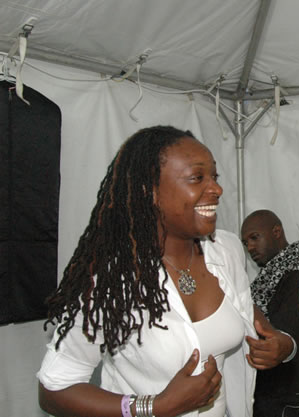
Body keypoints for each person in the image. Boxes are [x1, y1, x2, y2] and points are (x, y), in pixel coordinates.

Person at [37, 126, 256, 417]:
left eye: (214, 177)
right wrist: (154, 406)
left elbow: (244, 317)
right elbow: (54, 390)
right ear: (150, 191)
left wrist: (283, 345)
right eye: (197, 178)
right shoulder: (108, 281)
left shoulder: (227, 249)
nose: (216, 189)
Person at [240, 209, 299, 417]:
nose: (250, 247)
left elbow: (285, 332)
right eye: (245, 243)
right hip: (273, 396)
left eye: (254, 237)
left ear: (276, 232)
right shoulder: (265, 283)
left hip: (294, 399)